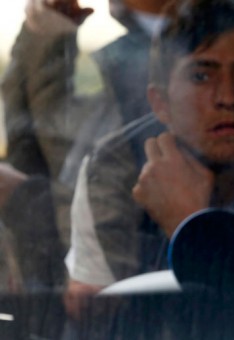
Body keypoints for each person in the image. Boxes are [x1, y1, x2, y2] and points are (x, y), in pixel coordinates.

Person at [65, 0, 234, 309]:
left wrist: (189, 224)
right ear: (161, 102)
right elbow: (91, 315)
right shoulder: (112, 169)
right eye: (201, 77)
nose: (227, 98)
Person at [0, 0, 171, 290]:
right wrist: (44, 34)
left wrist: (24, 197)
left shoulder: (170, 64)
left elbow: (64, 147)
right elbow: (44, 128)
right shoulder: (135, 57)